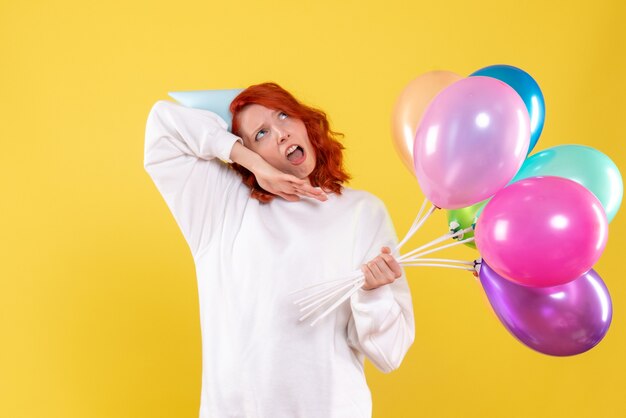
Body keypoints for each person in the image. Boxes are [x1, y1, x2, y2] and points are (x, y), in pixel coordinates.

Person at [143, 82, 415, 418]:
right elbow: (162, 127)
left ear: (305, 121)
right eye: (261, 134)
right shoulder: (220, 205)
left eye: (284, 115)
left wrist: (374, 295)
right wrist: (251, 163)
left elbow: (390, 354)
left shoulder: (364, 212)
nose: (281, 133)